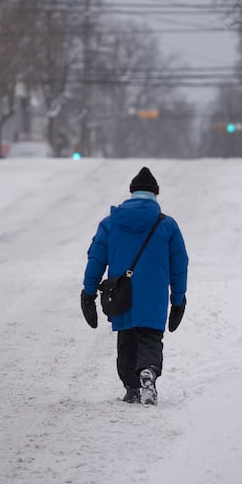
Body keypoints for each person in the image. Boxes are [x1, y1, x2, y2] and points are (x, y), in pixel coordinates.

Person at [80, 166, 188, 405]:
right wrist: (178, 300)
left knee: (126, 339)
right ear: (155, 195)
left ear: (131, 194)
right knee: (150, 338)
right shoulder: (168, 225)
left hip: (121, 293)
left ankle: (131, 387)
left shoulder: (110, 223)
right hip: (154, 296)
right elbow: (180, 264)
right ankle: (148, 371)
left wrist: (88, 293)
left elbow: (96, 259)